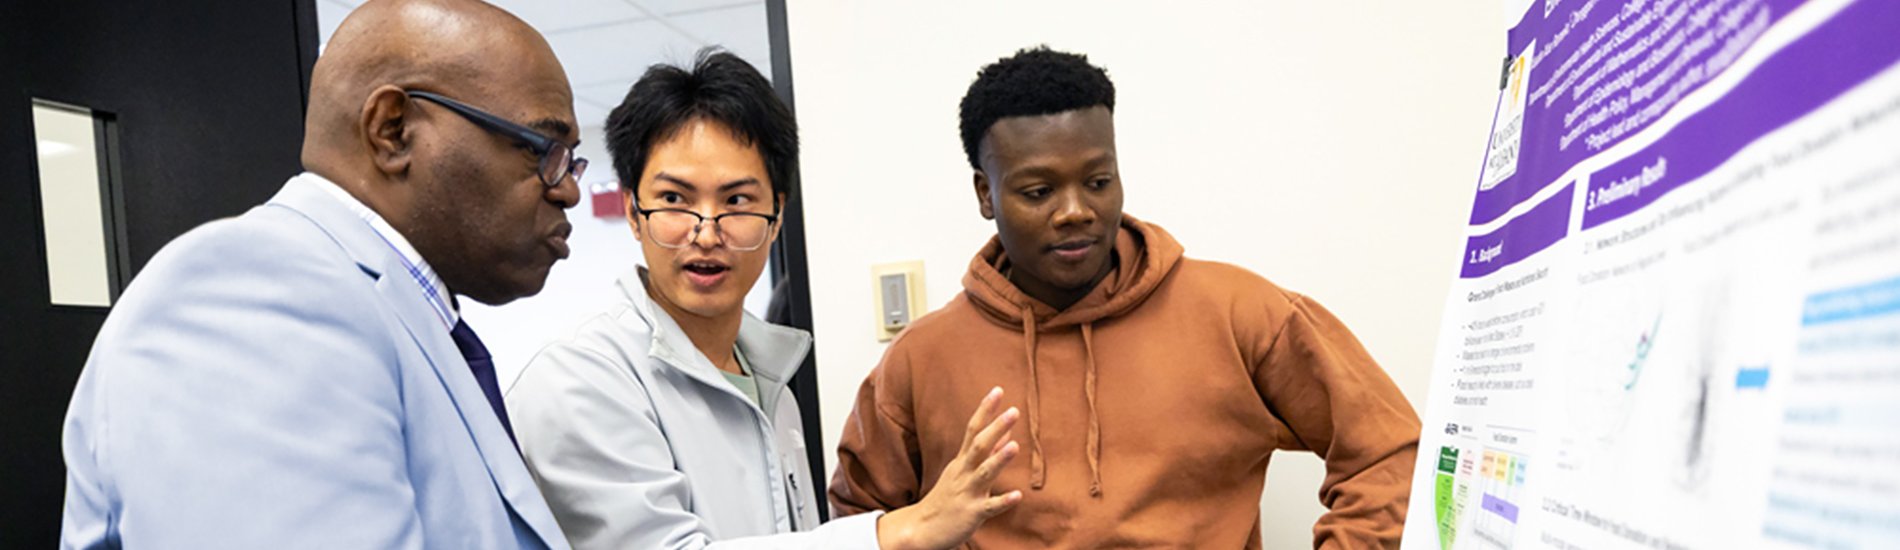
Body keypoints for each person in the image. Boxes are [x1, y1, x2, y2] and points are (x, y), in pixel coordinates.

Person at [828, 46, 1423, 548]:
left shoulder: (1240, 312)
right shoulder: (920, 361)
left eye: (1097, 181)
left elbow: (1390, 453)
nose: (1075, 212)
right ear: (987, 194)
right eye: (1038, 191)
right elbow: (861, 528)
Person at [59, 0, 581, 547]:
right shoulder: (254, 290)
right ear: (393, 130)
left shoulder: (395, 316)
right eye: (542, 148)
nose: (567, 188)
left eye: (572, 160)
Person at [506, 50, 1019, 550]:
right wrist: (896, 532)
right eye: (674, 200)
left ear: (776, 216)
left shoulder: (771, 385)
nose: (706, 233)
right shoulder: (578, 382)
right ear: (633, 212)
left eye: (736, 201)